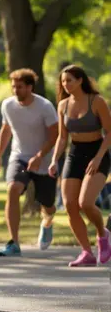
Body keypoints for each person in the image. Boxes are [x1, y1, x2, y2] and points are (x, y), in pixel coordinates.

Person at [0, 69, 59, 257]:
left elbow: (55, 135)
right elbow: (6, 130)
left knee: (48, 204)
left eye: (20, 87)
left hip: (44, 160)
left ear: (30, 87)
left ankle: (47, 221)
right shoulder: (8, 105)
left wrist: (39, 156)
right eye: (13, 86)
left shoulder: (45, 106)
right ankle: (14, 242)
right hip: (19, 156)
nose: (15, 90)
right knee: (13, 189)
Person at [49, 65, 111, 266]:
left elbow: (109, 132)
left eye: (69, 80)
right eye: (63, 81)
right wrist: (54, 160)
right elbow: (62, 137)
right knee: (69, 205)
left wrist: (98, 158)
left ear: (80, 80)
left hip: (97, 153)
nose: (65, 84)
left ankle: (103, 235)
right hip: (74, 154)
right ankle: (87, 252)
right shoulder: (63, 105)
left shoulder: (97, 101)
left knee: (86, 203)